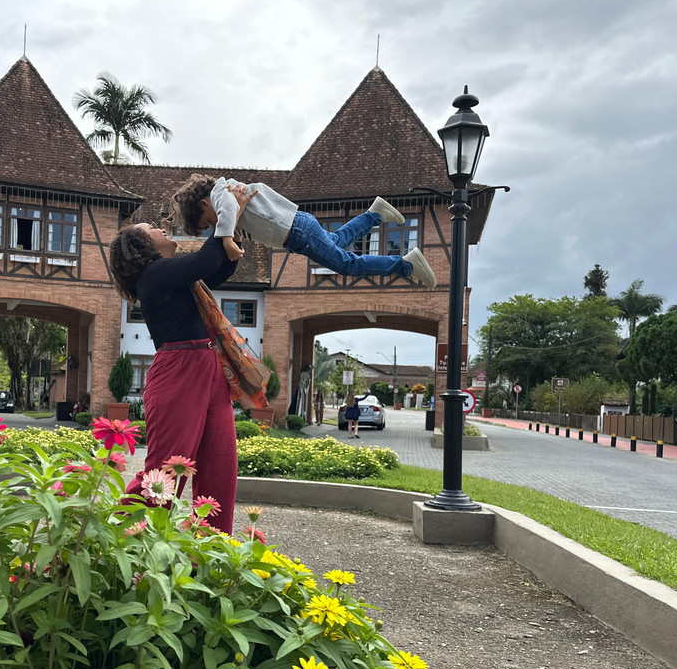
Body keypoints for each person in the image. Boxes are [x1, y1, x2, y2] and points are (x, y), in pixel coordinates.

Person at [107, 186, 257, 534]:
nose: (160, 227)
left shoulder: (176, 278)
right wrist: (226, 213)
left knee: (220, 469)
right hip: (178, 372)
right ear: (142, 247)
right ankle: (118, 538)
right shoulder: (153, 276)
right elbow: (206, 260)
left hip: (207, 368)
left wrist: (232, 222)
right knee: (164, 473)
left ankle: (211, 552)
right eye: (151, 229)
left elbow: (217, 270)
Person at [172, 174, 437, 287]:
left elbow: (229, 209)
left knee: (347, 265)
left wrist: (227, 239)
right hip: (298, 229)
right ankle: (374, 214)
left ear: (203, 203)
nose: (213, 227)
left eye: (208, 222)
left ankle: (405, 265)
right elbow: (237, 216)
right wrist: (234, 234)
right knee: (336, 240)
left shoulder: (221, 193)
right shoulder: (224, 196)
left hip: (297, 231)